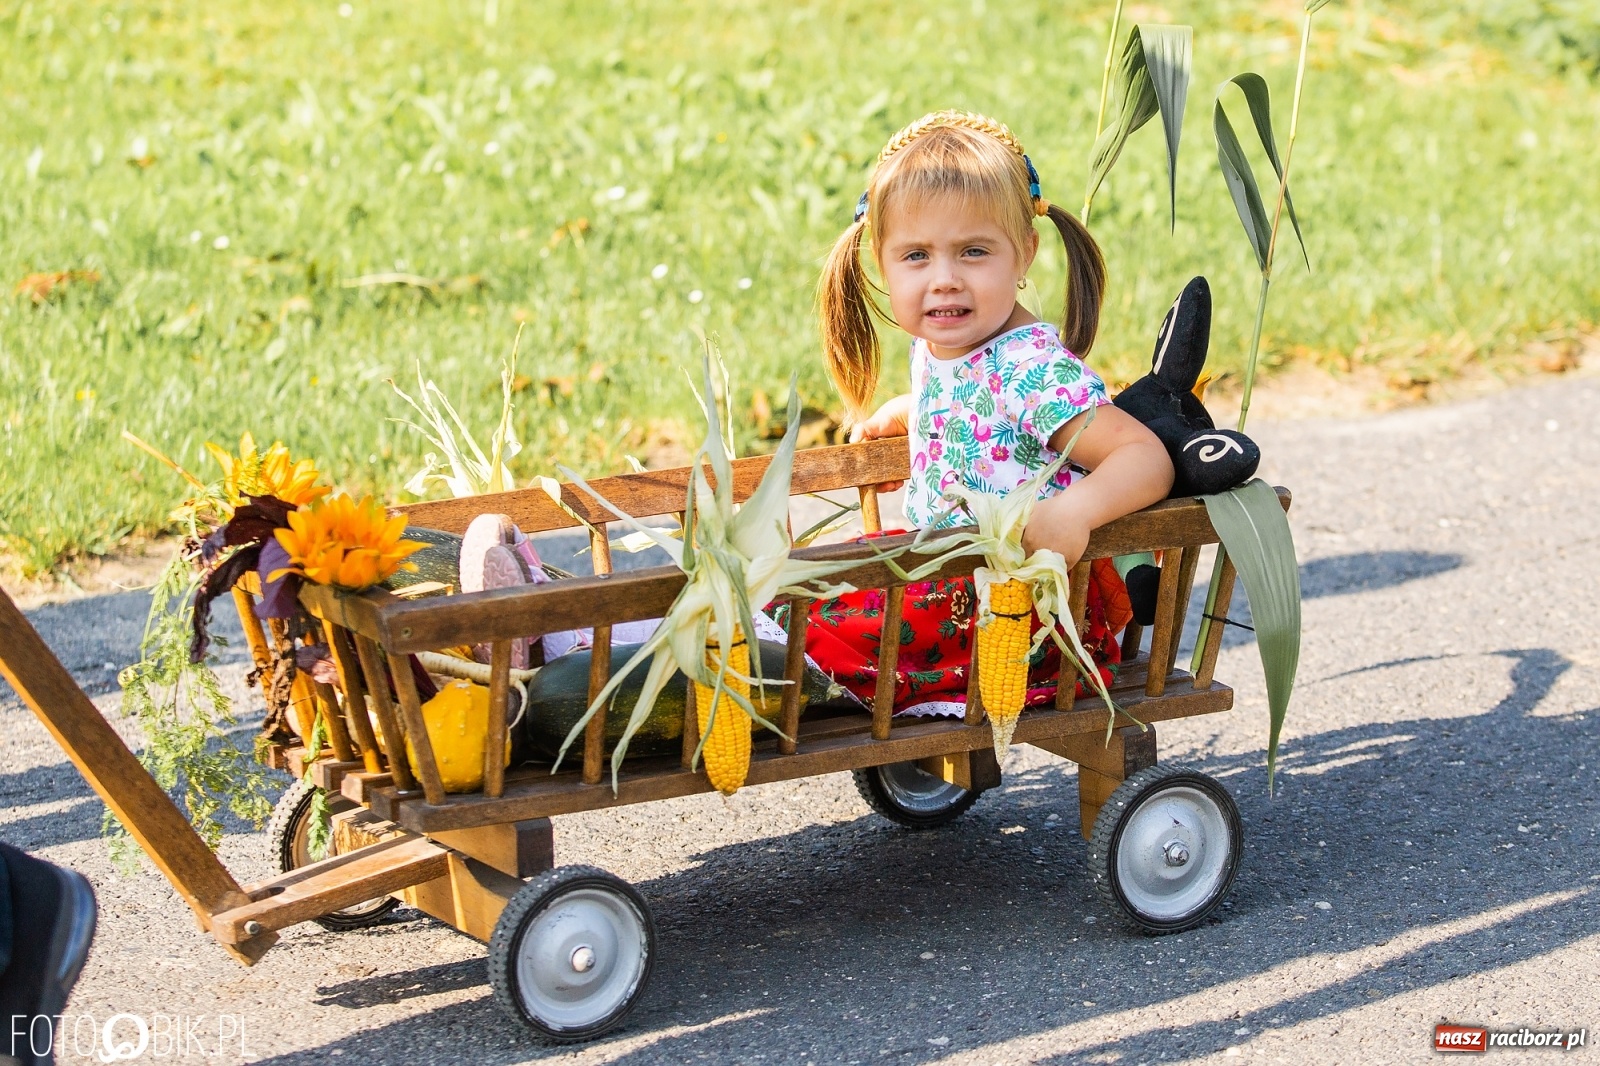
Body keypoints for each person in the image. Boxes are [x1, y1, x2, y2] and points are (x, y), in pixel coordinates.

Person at [791, 110, 1174, 714]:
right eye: (916, 256)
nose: (944, 281)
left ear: (1024, 253)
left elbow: (1143, 456)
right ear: (881, 262)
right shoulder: (944, 344)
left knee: (818, 618)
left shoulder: (1031, 368)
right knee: (807, 584)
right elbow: (975, 408)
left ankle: (810, 678)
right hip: (947, 578)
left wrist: (1073, 512)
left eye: (973, 252)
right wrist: (911, 412)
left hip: (1018, 606)